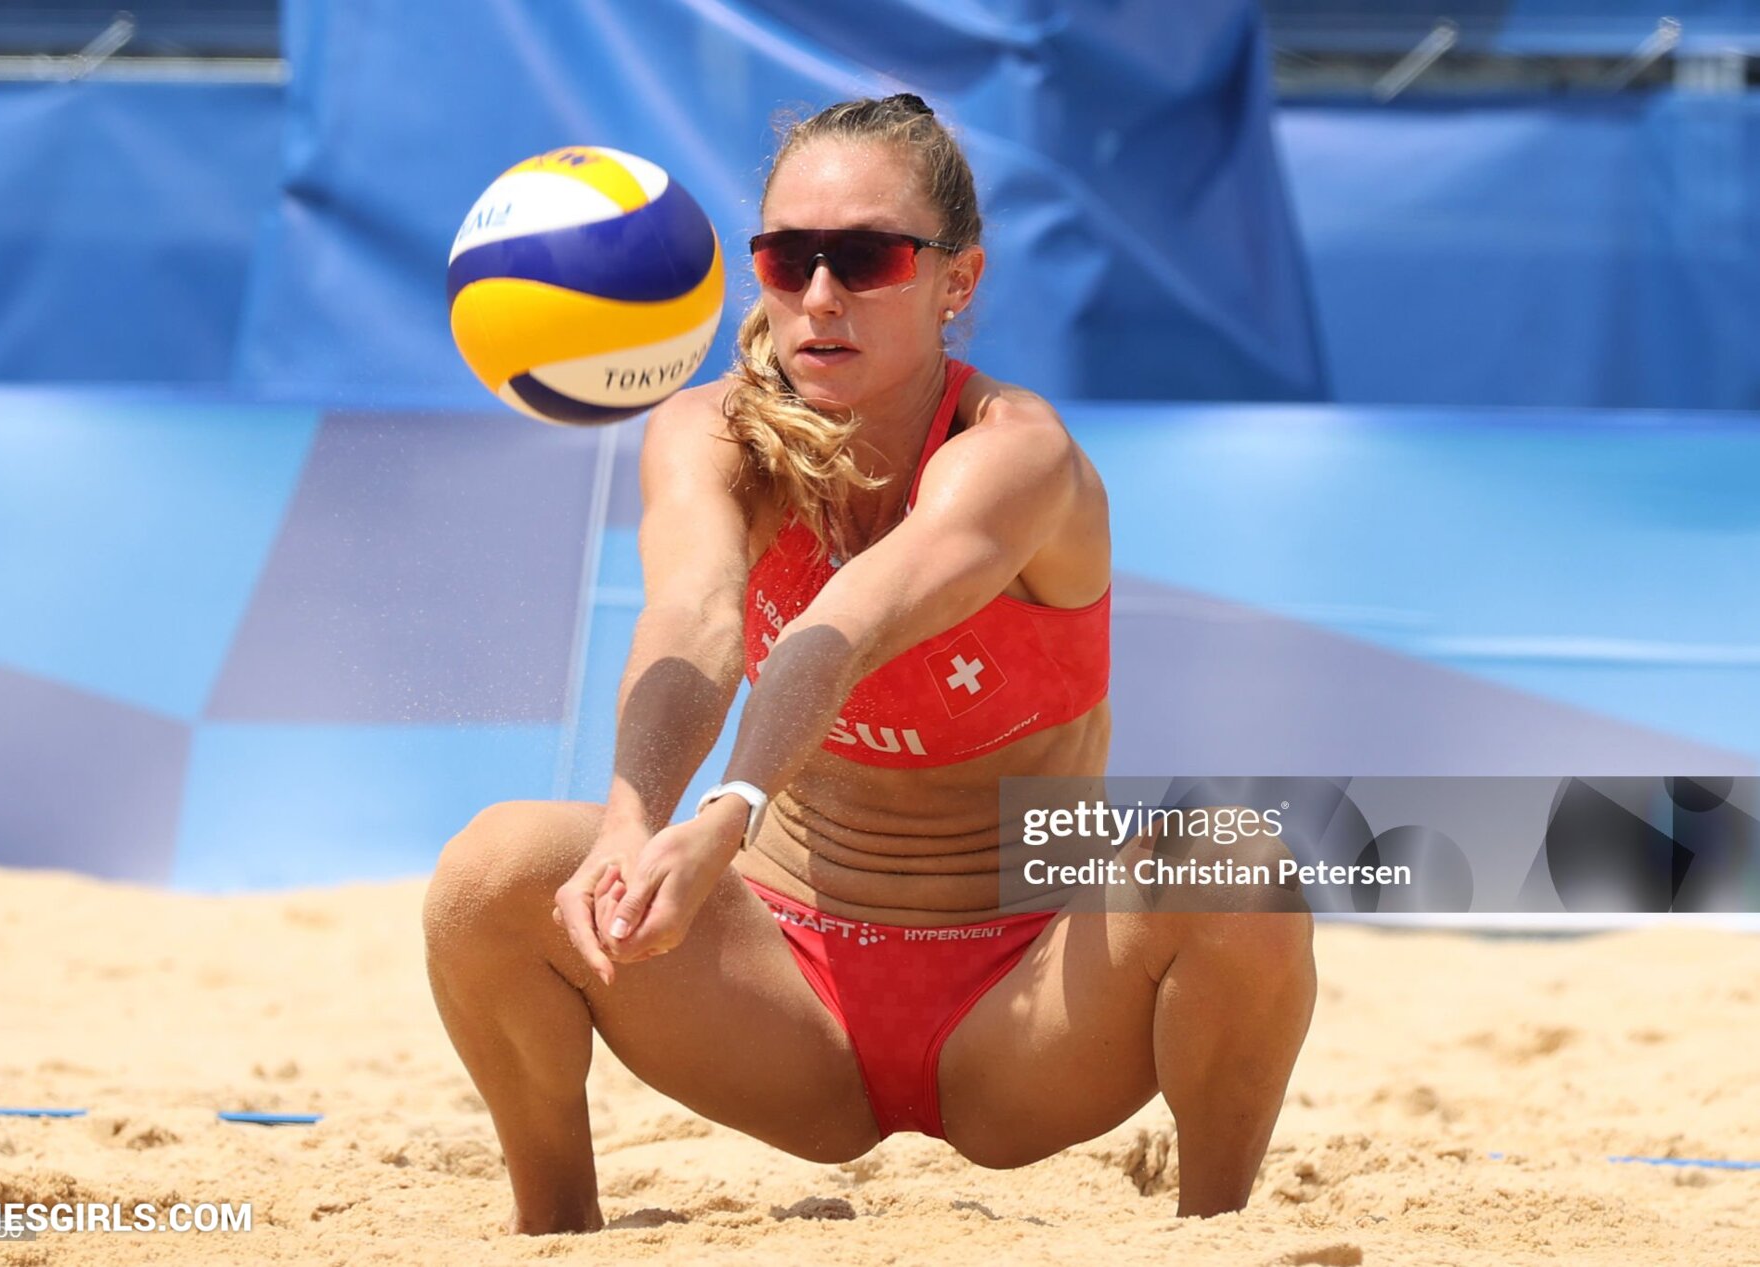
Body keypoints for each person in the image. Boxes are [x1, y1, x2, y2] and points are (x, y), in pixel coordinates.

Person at [423, 92, 1316, 1235]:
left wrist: (725, 813)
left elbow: (845, 626)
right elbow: (693, 616)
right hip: (784, 996)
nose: (820, 294)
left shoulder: (1016, 454)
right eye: (787, 258)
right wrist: (632, 824)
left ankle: (1219, 1237)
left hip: (1028, 1005)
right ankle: (554, 1229)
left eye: (866, 258)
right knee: (493, 868)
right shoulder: (708, 433)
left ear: (957, 281)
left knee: (1232, 862)